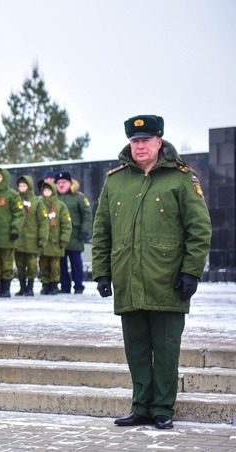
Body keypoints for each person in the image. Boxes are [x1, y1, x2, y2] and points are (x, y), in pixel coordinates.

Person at [92, 114, 211, 430]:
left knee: (167, 349)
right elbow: (102, 230)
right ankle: (141, 406)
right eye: (134, 141)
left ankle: (162, 408)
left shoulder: (181, 178)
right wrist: (102, 272)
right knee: (137, 350)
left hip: (168, 281)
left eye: (145, 140)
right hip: (128, 281)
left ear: (159, 141)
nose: (139, 146)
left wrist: (191, 271)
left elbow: (199, 229)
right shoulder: (115, 180)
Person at [0, 166, 24, 297]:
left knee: (7, 264)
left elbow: (19, 214)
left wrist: (15, 229)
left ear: (5, 178)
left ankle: (6, 289)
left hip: (8, 237)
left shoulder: (13, 195)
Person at [56, 170, 92, 293]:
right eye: (59, 183)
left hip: (75, 236)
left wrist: (85, 231)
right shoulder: (54, 198)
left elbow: (87, 215)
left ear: (70, 183)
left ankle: (78, 285)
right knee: (61, 263)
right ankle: (64, 286)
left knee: (76, 262)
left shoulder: (79, 198)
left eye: (64, 182)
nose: (61, 185)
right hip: (58, 237)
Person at [14, 175, 48, 296]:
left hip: (32, 240)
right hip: (18, 239)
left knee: (32, 265)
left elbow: (43, 222)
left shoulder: (37, 202)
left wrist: (42, 238)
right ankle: (22, 287)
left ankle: (30, 287)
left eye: (24, 185)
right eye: (20, 185)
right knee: (19, 265)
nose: (22, 188)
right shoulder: (15, 199)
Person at [38, 181, 71, 295]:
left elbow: (66, 224)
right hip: (43, 242)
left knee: (55, 265)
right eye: (45, 190)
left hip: (55, 241)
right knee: (43, 264)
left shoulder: (60, 206)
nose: (46, 192)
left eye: (49, 190)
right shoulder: (39, 204)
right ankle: (45, 284)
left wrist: (64, 239)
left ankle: (54, 284)